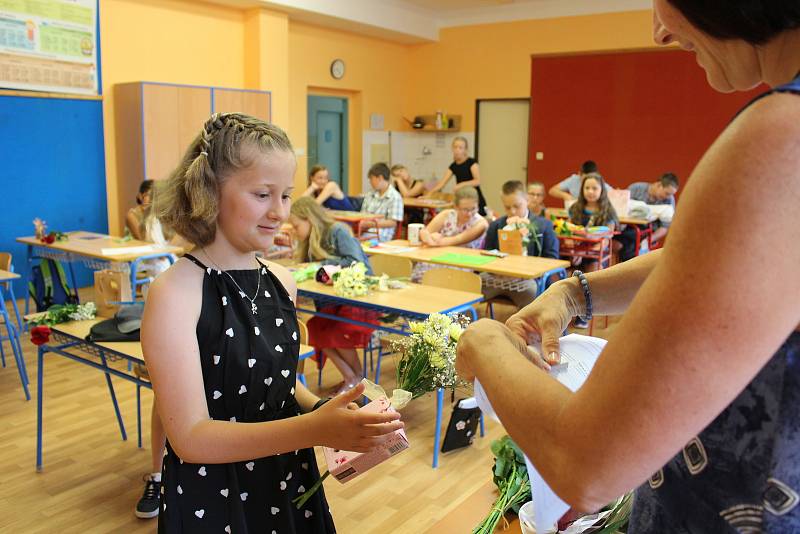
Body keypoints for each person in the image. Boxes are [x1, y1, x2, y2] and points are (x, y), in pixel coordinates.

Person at [456, 2, 800, 532]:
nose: (659, 32)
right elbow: (716, 261)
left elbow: (584, 467)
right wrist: (576, 293)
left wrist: (482, 342)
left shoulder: (781, 140)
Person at [143, 112, 403, 533]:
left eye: (286, 195)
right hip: (216, 496)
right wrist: (313, 428)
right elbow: (190, 439)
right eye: (263, 194)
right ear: (208, 191)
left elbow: (277, 382)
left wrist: (327, 411)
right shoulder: (176, 294)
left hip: (286, 478)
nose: (279, 212)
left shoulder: (282, 281)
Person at [289, 196, 377, 393]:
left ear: (309, 219)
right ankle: (353, 378)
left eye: (296, 226)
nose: (294, 232)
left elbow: (356, 262)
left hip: (357, 299)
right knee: (314, 328)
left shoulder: (337, 231)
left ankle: (357, 379)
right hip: (334, 302)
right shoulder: (308, 243)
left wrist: (319, 265)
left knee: (335, 331)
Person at [482, 180, 559, 310]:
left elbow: (552, 258)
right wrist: (496, 270)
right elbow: (487, 254)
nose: (512, 211)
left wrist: (530, 271)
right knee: (471, 287)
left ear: (527, 200)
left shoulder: (543, 226)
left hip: (528, 282)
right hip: (497, 279)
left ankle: (525, 328)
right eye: (507, 207)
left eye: (517, 206)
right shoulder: (496, 226)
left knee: (533, 297)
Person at [411, 186, 489, 282]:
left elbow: (457, 239)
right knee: (420, 276)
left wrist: (433, 239)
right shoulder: (446, 214)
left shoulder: (480, 223)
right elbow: (424, 232)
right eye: (465, 209)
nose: (469, 214)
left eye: (473, 209)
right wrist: (428, 236)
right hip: (440, 256)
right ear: (455, 207)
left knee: (444, 279)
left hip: (462, 261)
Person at [615, 173, 680, 262]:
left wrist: (648, 240)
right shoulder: (636, 188)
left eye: (670, 195)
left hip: (648, 232)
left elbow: (665, 227)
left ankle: (626, 269)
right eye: (667, 193)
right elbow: (623, 208)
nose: (668, 197)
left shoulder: (669, 201)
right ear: (659, 185)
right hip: (627, 226)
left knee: (630, 241)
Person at [567, 172, 618, 271]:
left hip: (596, 251)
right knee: (566, 271)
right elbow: (568, 230)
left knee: (593, 272)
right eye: (587, 188)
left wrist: (583, 253)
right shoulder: (575, 208)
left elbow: (607, 239)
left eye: (594, 188)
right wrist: (573, 251)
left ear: (602, 190)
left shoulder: (608, 210)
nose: (590, 191)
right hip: (576, 249)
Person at [427, 137, 488, 216]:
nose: (457, 150)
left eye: (460, 148)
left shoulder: (471, 162)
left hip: (475, 198)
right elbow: (442, 183)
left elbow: (477, 181)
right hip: (463, 198)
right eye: (455, 147)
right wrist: (429, 194)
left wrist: (461, 185)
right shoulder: (453, 166)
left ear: (465, 150)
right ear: (452, 149)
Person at [360, 162, 404, 242]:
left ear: (380, 178)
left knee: (360, 242)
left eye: (371, 179)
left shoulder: (395, 196)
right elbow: (362, 214)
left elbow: (392, 222)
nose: (370, 182)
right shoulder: (370, 194)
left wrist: (371, 224)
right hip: (365, 230)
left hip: (381, 234)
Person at [548, 160, 613, 203]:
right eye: (587, 187)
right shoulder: (573, 180)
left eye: (594, 188)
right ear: (579, 174)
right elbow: (552, 190)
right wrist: (565, 195)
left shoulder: (599, 181)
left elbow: (614, 194)